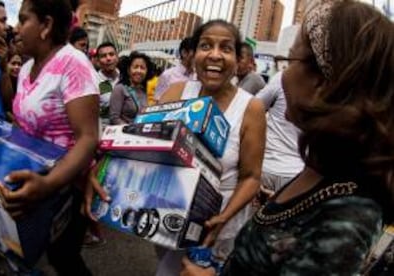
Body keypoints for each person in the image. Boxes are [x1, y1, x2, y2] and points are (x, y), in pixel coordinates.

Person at [180, 0, 394, 275]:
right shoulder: (321, 167)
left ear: (324, 82)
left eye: (289, 61)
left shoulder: (349, 216)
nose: (283, 77)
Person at [156, 19, 266, 275]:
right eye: (206, 45)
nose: (215, 55)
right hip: (168, 213)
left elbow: (251, 177)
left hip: (218, 227)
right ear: (193, 54)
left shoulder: (251, 108)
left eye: (226, 48)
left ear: (238, 59)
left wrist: (223, 218)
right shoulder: (175, 92)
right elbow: (144, 142)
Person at [1, 0, 99, 275]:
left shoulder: (73, 63)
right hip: (35, 182)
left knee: (64, 257)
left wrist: (47, 184)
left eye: (23, 20)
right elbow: (21, 121)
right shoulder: (25, 68)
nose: (16, 28)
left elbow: (88, 138)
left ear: (46, 25)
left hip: (66, 188)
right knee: (29, 253)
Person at [254, 71, 304, 201]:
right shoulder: (331, 87)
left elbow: (254, 107)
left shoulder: (284, 77)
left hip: (268, 167)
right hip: (299, 175)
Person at [109, 51, 154, 124]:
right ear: (128, 70)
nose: (139, 71)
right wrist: (130, 129)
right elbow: (114, 118)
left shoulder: (143, 90)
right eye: (135, 67)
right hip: (124, 133)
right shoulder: (120, 89)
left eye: (142, 68)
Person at [154, 37, 195, 101]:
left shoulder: (198, 76)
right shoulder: (167, 75)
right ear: (184, 53)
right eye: (194, 53)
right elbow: (158, 101)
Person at [96, 41, 119, 126]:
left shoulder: (125, 78)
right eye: (103, 56)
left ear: (117, 57)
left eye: (111, 54)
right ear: (98, 61)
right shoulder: (94, 80)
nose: (108, 58)